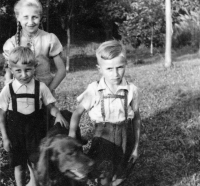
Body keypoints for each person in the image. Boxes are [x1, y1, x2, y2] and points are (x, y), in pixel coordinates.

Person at [69, 40, 141, 186]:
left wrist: (136, 146)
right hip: (103, 138)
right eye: (109, 69)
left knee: (122, 170)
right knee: (103, 173)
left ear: (126, 64)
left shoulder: (132, 90)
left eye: (120, 67)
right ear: (99, 68)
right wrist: (71, 135)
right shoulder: (95, 89)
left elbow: (136, 118)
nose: (115, 74)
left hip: (125, 136)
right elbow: (77, 113)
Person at [0, 46, 68, 186]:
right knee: (19, 165)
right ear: (11, 70)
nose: (24, 75)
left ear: (34, 67)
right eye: (18, 71)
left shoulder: (40, 87)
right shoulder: (8, 89)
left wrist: (58, 114)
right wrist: (5, 138)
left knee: (36, 161)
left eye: (28, 70)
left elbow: (50, 106)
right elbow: (2, 114)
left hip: (35, 131)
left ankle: (35, 183)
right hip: (16, 133)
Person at [3, 0, 66, 92]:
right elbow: (8, 73)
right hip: (20, 95)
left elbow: (62, 71)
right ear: (18, 17)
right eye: (26, 17)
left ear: (40, 17)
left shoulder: (49, 39)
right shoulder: (11, 43)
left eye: (34, 17)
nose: (30, 22)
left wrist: (48, 91)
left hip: (45, 92)